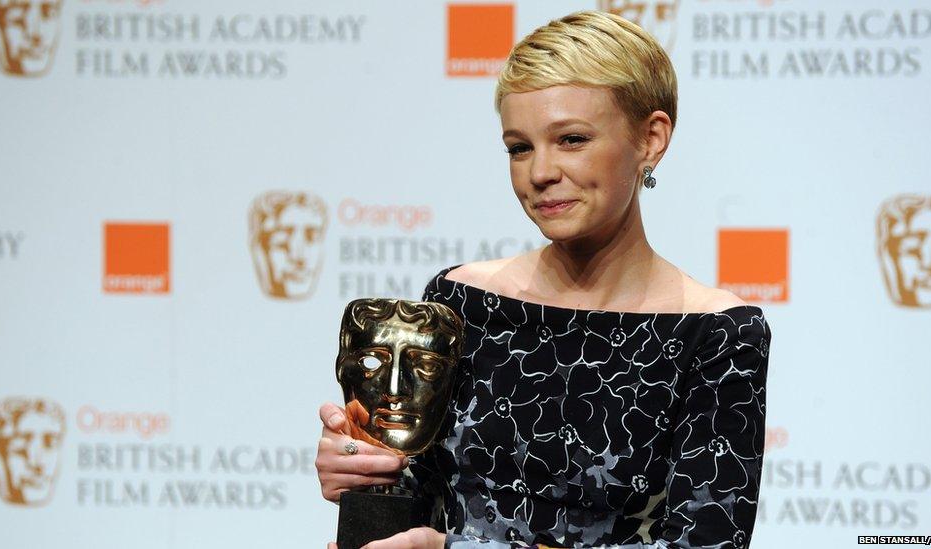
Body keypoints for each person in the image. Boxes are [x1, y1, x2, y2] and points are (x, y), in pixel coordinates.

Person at [316, 10, 771, 548]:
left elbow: (706, 544)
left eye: (572, 139)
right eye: (519, 147)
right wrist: (363, 472)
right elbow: (417, 499)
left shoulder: (715, 333)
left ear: (651, 138)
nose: (539, 172)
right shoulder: (462, 302)